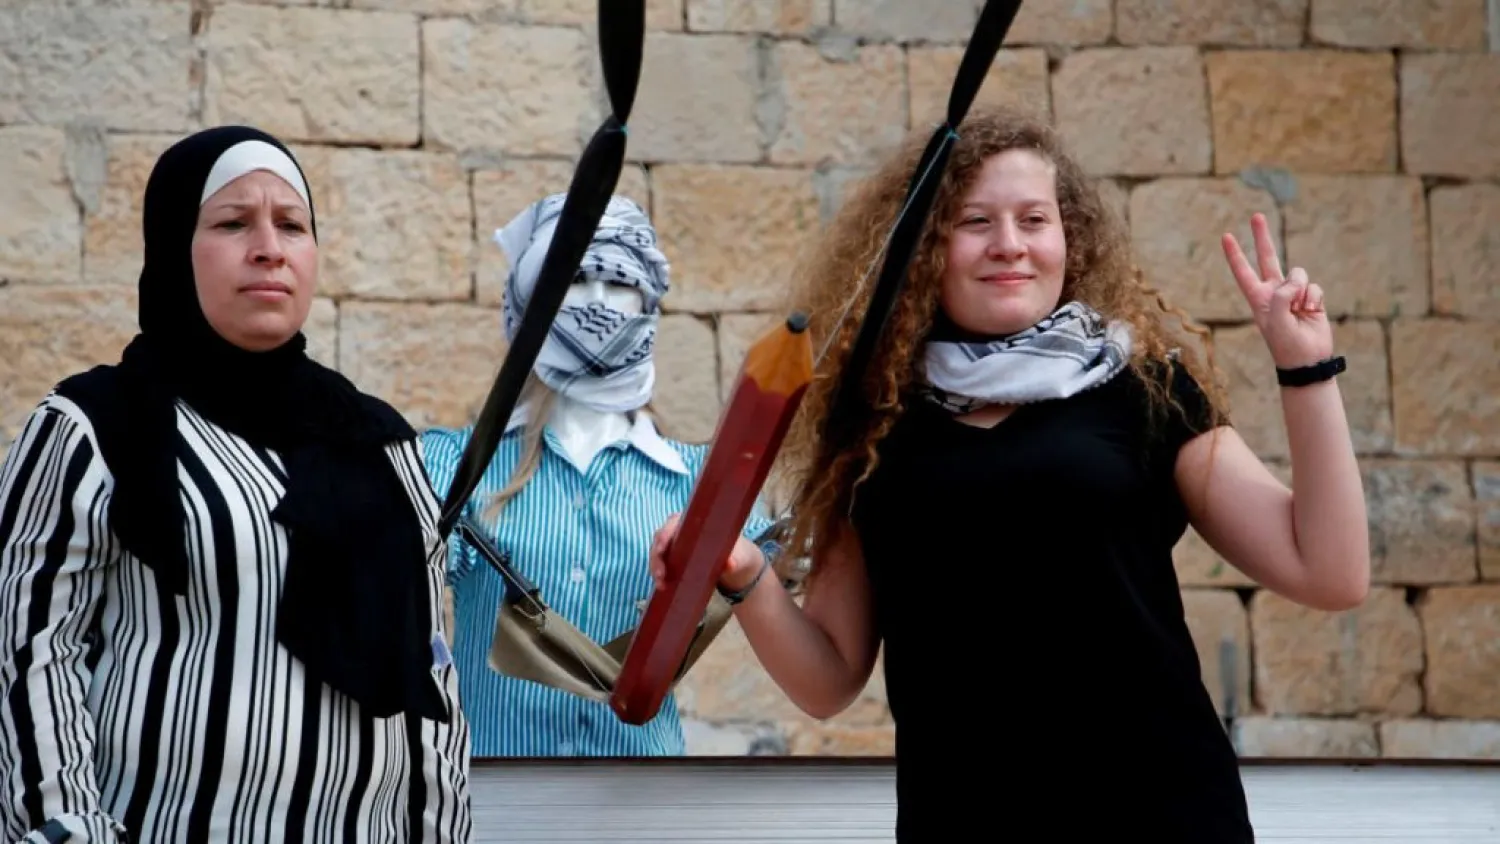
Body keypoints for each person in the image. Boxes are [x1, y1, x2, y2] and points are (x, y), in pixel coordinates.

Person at [651, 105, 1370, 840]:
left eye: (1035, 220)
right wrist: (742, 574)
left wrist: (1305, 367)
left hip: (1162, 819)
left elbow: (1330, 572)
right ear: (924, 247)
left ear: (1071, 238)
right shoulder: (871, 425)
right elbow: (829, 678)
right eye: (974, 222)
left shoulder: (1144, 390)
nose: (1010, 246)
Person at [0, 126, 471, 843]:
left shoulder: (380, 444)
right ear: (171, 245)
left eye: (291, 225)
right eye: (231, 222)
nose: (269, 248)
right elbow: (29, 648)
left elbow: (429, 674)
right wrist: (65, 829)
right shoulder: (93, 426)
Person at [422, 193, 775, 758]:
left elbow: (783, 610)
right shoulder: (457, 468)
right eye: (576, 282)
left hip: (643, 810)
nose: (598, 303)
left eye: (618, 284)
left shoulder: (700, 483)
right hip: (498, 806)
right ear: (534, 302)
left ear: (646, 304)